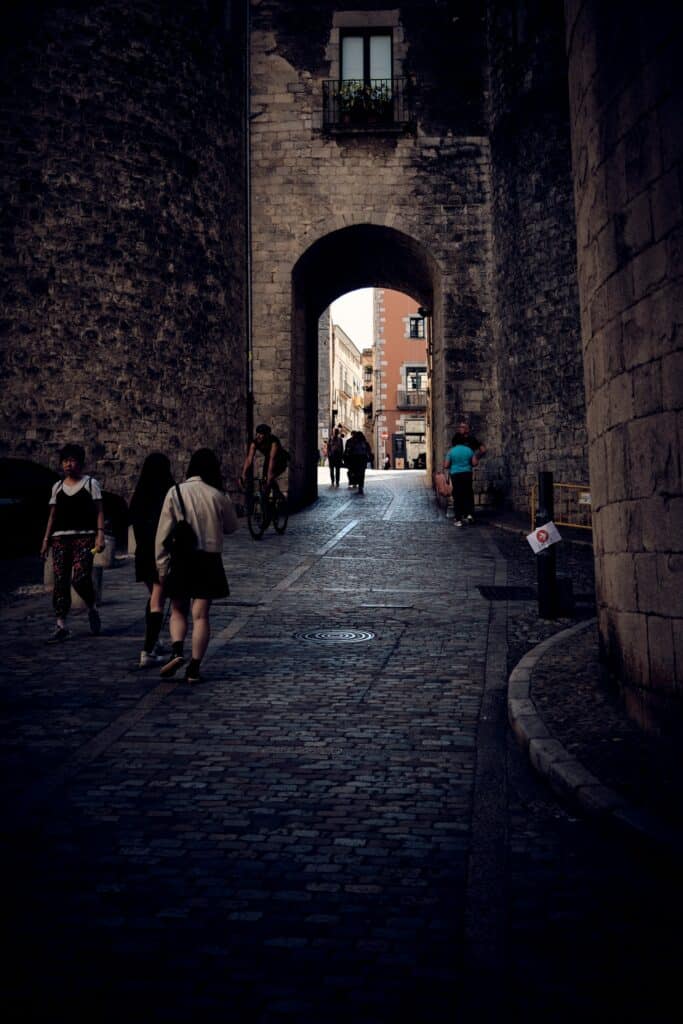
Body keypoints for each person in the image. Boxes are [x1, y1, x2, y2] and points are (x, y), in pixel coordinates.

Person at [155, 448, 238, 684]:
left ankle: (177, 651)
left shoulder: (175, 492)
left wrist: (161, 565)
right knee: (201, 615)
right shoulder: (216, 495)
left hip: (183, 559)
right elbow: (232, 527)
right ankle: (194, 668)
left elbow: (162, 534)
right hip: (209, 560)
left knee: (178, 609)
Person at [41, 443, 105, 642]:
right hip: (60, 538)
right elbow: (52, 516)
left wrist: (100, 535)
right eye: (65, 461)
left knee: (80, 577)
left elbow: (99, 511)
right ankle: (61, 624)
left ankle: (92, 606)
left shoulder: (90, 484)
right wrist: (45, 540)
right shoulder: (57, 487)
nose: (68, 464)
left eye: (72, 460)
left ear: (80, 462)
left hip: (84, 537)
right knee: (60, 581)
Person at [129, 453, 175, 668]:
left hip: (143, 552)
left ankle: (154, 641)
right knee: (158, 599)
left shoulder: (140, 494)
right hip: (161, 551)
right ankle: (147, 650)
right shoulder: (169, 493)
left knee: (155, 597)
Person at [443, 419, 486, 527]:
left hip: (455, 474)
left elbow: (446, 465)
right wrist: (472, 459)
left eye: (463, 427)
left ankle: (458, 519)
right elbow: (475, 462)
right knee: (468, 493)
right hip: (467, 473)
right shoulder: (469, 450)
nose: (461, 429)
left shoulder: (451, 451)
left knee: (457, 495)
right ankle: (469, 515)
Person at [239, 423, 289, 500]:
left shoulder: (274, 442)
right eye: (257, 434)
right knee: (265, 480)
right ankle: (276, 496)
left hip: (281, 459)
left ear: (267, 435)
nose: (258, 436)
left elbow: (272, 460)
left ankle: (277, 498)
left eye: (261, 434)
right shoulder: (254, 443)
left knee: (269, 479)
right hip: (269, 458)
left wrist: (269, 479)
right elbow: (249, 459)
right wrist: (243, 474)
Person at [344, 431, 371, 495]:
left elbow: (350, 452)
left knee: (357, 473)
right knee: (362, 474)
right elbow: (369, 451)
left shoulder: (354, 443)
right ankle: (360, 486)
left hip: (356, 460)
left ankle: (358, 485)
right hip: (362, 460)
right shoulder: (365, 443)